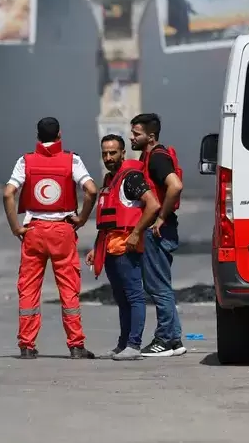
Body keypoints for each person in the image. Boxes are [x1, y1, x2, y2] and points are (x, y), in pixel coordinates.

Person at [2, 117, 98, 360]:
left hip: (34, 230)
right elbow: (91, 190)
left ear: (37, 135)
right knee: (68, 289)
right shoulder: (72, 160)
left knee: (29, 288)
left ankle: (26, 345)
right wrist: (83, 218)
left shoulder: (25, 161)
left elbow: (8, 193)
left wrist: (16, 227)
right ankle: (76, 345)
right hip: (63, 230)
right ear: (60, 135)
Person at [85, 135, 161, 361]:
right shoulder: (110, 180)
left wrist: (136, 233)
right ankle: (122, 345)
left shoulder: (131, 178)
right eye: (105, 153)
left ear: (122, 153)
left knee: (134, 297)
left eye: (113, 153)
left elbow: (153, 204)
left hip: (126, 248)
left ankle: (134, 345)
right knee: (121, 298)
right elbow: (108, 221)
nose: (108, 157)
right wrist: (95, 249)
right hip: (109, 248)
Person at [128, 113, 186, 357]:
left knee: (158, 286)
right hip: (160, 228)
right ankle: (174, 340)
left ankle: (164, 338)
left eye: (136, 134)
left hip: (157, 230)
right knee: (160, 285)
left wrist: (160, 217)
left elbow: (175, 186)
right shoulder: (151, 156)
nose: (131, 137)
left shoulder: (157, 158)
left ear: (150, 137)